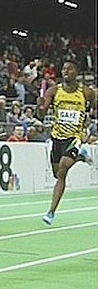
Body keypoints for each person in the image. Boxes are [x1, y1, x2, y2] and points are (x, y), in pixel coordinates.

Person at [37, 60, 96, 225]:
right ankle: (80, 157)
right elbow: (41, 115)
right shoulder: (54, 90)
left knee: (62, 171)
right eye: (63, 69)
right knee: (57, 173)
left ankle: (51, 212)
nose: (66, 71)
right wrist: (39, 107)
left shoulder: (87, 92)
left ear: (77, 72)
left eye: (70, 69)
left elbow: (93, 109)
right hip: (57, 137)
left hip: (75, 137)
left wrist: (87, 118)